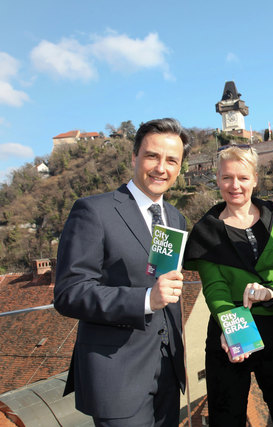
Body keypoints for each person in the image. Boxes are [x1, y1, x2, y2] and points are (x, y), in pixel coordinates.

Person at [54, 118, 191, 426]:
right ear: (134, 157)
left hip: (168, 372)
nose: (161, 168)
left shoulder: (175, 218)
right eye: (152, 156)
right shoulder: (94, 211)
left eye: (172, 160)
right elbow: (69, 293)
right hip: (118, 376)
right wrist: (145, 300)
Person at [183, 144, 273, 427]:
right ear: (217, 180)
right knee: (227, 416)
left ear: (255, 179)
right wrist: (232, 326)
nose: (234, 185)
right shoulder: (205, 231)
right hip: (229, 330)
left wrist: (272, 291)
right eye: (227, 177)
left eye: (242, 177)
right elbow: (215, 289)